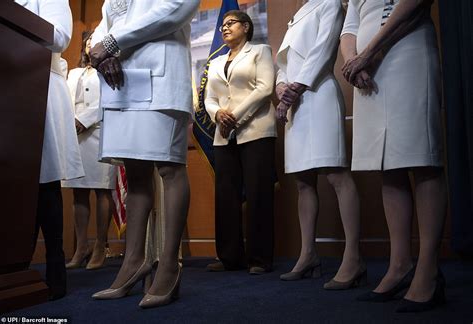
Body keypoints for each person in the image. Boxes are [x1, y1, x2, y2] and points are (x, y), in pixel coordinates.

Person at [88, 0, 200, 308]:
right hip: (122, 77)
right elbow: (106, 20)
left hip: (160, 71)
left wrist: (112, 42)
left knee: (169, 168)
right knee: (135, 173)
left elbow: (181, 7)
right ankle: (133, 261)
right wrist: (99, 51)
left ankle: (168, 265)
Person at [340, 0, 447, 312]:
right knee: (386, 163)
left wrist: (368, 53)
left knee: (421, 157)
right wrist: (352, 64)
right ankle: (400, 265)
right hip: (367, 67)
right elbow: (349, 29)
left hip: (407, 51)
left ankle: (428, 269)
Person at [275, 0, 364, 288]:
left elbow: (322, 51)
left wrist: (294, 89)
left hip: (318, 95)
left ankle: (353, 257)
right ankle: (308, 254)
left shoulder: (329, 4)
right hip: (296, 103)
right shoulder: (298, 13)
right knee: (303, 182)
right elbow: (283, 62)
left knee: (337, 175)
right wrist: (280, 85)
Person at [15, 0, 84, 300]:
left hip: (39, 87)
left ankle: (56, 269)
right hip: (9, 92)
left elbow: (59, 37)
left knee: (44, 182)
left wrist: (13, 21)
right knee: (13, 185)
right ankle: (15, 266)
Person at [204, 10, 277, 274]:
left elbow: (265, 88)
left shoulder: (260, 51)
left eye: (230, 23)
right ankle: (230, 257)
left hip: (256, 130)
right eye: (222, 25)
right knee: (226, 195)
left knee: (258, 194)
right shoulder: (215, 62)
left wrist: (233, 115)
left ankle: (260, 259)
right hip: (223, 134)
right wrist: (217, 114)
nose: (224, 28)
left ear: (246, 27)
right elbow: (209, 98)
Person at [62, 31, 117, 271]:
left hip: (99, 132)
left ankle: (101, 245)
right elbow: (64, 100)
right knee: (78, 192)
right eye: (87, 42)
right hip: (74, 135)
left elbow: (110, 99)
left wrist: (84, 118)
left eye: (95, 41)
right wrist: (69, 121)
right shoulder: (73, 73)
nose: (89, 45)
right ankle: (81, 246)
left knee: (102, 190)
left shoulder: (110, 69)